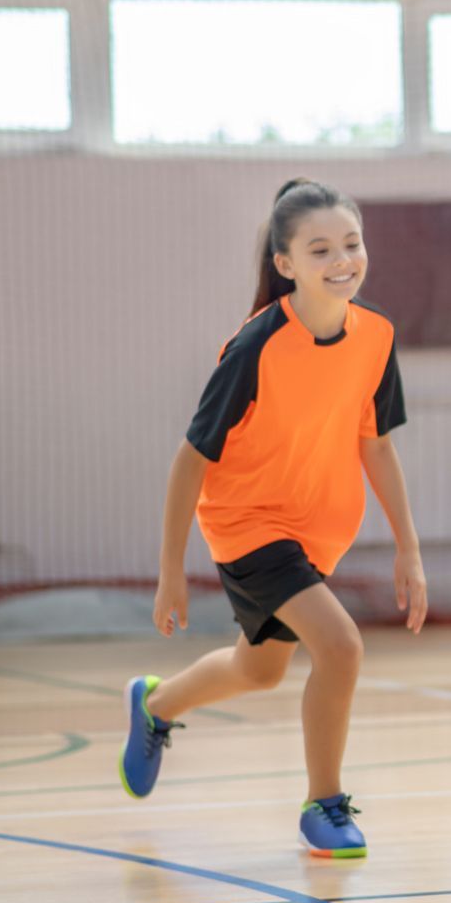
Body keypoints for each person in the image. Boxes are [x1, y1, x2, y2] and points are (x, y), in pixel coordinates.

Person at [120, 178, 427, 859]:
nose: (342, 259)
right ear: (285, 263)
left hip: (318, 533)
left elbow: (375, 443)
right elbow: (190, 459)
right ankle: (324, 805)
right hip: (248, 526)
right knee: (341, 648)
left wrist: (409, 547)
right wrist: (171, 572)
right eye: (321, 249)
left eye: (351, 243)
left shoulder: (375, 336)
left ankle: (155, 706)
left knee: (257, 670)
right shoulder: (257, 345)